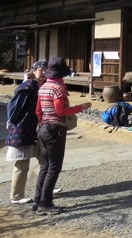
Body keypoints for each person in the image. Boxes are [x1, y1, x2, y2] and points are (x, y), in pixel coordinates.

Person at [32, 56, 91, 215]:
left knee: (45, 166)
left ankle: (38, 200)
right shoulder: (58, 88)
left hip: (43, 127)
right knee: (54, 167)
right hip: (55, 129)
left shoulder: (43, 86)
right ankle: (45, 203)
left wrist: (42, 123)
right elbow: (61, 111)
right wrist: (81, 107)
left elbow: (38, 110)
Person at [5, 59, 47, 204]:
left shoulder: (45, 85)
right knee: (22, 164)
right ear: (34, 71)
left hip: (38, 127)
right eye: (40, 70)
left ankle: (46, 188)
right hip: (23, 128)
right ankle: (16, 195)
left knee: (45, 159)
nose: (43, 72)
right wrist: (10, 120)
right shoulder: (28, 86)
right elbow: (14, 105)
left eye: (45, 70)